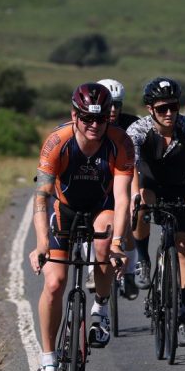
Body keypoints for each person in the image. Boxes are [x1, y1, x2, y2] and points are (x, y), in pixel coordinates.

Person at [29, 83, 133, 371]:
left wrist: (118, 245)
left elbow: (123, 198)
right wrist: (41, 244)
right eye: (87, 118)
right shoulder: (57, 142)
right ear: (75, 115)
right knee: (54, 283)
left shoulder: (120, 142)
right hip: (66, 209)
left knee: (104, 241)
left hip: (102, 207)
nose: (94, 126)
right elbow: (41, 197)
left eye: (100, 120)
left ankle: (100, 310)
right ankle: (47, 362)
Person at [127, 77, 185, 347]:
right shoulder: (139, 130)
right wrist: (134, 195)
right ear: (150, 108)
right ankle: (142, 257)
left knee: (184, 249)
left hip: (181, 187)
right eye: (162, 108)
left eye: (174, 107)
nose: (169, 113)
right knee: (142, 204)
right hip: (149, 185)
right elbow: (129, 165)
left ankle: (183, 317)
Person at [81, 78, 141, 300]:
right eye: (110, 105)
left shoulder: (132, 124)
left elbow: (134, 165)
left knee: (127, 227)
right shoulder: (91, 124)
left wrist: (136, 196)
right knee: (92, 225)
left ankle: (131, 273)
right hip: (96, 181)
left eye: (118, 105)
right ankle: (91, 270)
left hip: (124, 179)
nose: (114, 110)